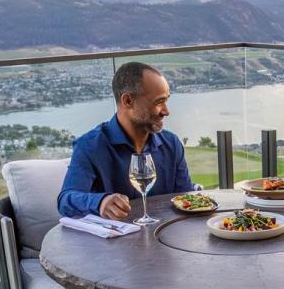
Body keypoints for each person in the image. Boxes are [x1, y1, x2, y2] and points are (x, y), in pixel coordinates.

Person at [58, 61, 195, 219]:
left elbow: (187, 199)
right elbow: (65, 201)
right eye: (158, 102)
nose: (166, 111)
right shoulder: (90, 146)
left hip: (165, 239)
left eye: (166, 100)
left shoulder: (172, 144)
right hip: (115, 242)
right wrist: (100, 202)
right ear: (128, 101)